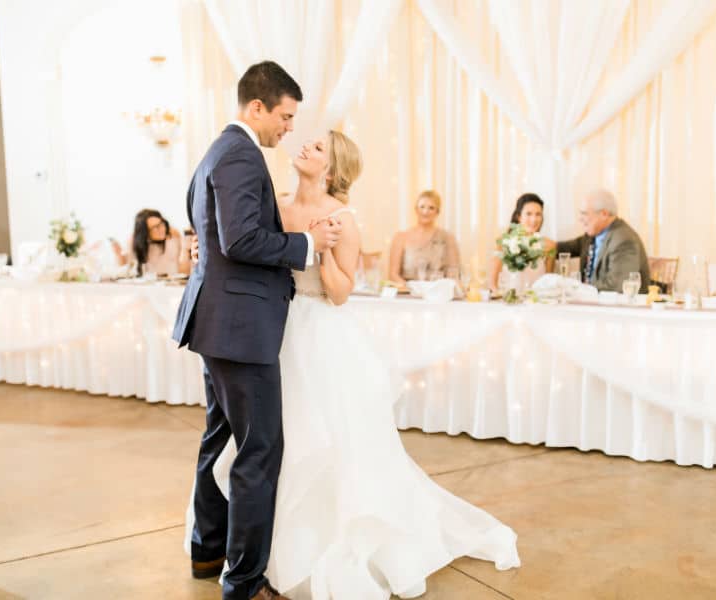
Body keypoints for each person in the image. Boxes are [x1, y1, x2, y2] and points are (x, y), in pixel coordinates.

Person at [187, 130, 520, 600]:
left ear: (332, 168)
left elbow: (341, 292)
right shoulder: (274, 202)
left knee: (321, 442)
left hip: (319, 333)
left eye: (318, 148)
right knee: (266, 441)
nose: (305, 146)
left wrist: (319, 248)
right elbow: (247, 246)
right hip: (270, 330)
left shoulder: (342, 219)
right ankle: (257, 550)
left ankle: (315, 548)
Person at [171, 61, 343, 600]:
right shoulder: (242, 154)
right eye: (286, 116)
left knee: (218, 438)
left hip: (217, 322)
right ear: (258, 107)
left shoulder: (215, 154)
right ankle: (243, 581)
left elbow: (212, 236)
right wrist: (306, 247)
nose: (289, 128)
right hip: (241, 329)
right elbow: (242, 240)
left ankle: (207, 548)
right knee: (259, 451)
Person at [557, 189, 650, 292]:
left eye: (584, 213)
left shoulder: (624, 240)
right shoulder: (594, 234)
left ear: (604, 214)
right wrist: (545, 246)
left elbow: (617, 286)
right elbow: (566, 247)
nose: (580, 218)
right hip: (591, 302)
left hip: (615, 306)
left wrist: (576, 288)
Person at [388, 190, 460, 285]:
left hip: (438, 295)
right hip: (408, 294)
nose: (425, 212)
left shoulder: (448, 238)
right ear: (416, 209)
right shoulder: (400, 237)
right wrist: (413, 289)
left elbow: (453, 272)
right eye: (422, 207)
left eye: (431, 208)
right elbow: (393, 275)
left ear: (437, 212)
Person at [489, 193, 555, 291]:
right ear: (519, 217)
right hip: (508, 301)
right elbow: (492, 284)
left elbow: (548, 284)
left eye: (538, 214)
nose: (534, 219)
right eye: (528, 214)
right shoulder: (504, 242)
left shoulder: (549, 245)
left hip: (536, 303)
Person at [110, 209, 193, 276]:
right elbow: (126, 268)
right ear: (144, 232)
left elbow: (184, 272)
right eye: (155, 227)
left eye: (161, 224)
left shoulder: (173, 237)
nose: (161, 229)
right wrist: (118, 255)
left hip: (171, 283)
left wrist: (184, 248)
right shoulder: (135, 241)